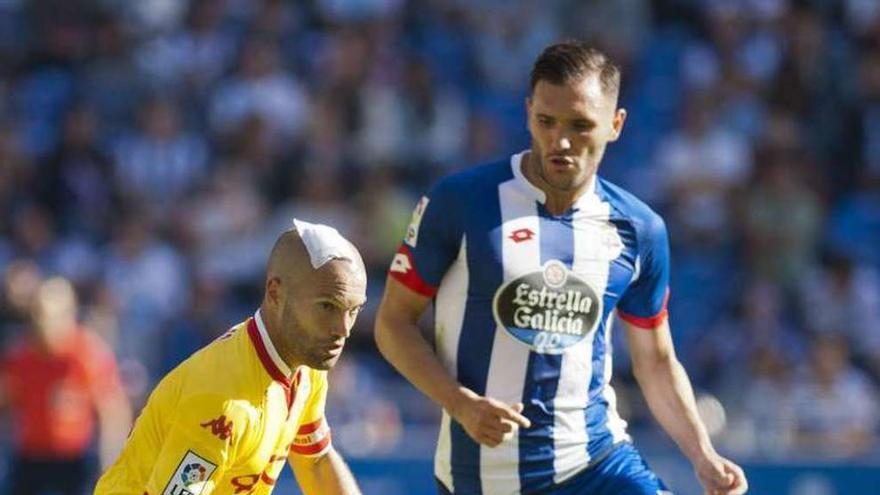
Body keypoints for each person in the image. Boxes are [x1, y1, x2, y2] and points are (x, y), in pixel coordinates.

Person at [374, 41, 748, 495]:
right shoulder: (460, 202)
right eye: (546, 122)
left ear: (616, 124)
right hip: (482, 479)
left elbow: (655, 360)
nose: (561, 142)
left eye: (580, 125)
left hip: (596, 463)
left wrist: (702, 454)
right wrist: (460, 403)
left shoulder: (639, 229)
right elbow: (393, 323)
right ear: (529, 110)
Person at [95, 219, 366, 495]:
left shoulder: (306, 366)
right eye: (327, 307)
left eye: (354, 310)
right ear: (275, 293)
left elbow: (317, 462)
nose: (343, 329)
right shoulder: (219, 401)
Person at [0, 276, 132, 495]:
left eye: (52, 316)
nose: (45, 323)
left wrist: (109, 461)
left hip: (74, 461)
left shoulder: (88, 354)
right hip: (29, 457)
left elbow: (112, 412)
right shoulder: (20, 356)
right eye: (39, 314)